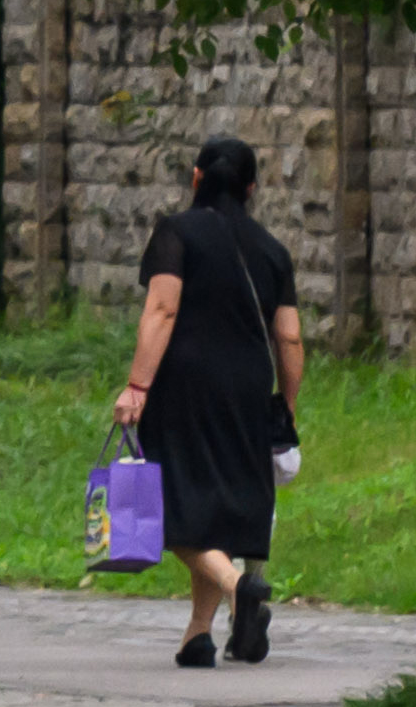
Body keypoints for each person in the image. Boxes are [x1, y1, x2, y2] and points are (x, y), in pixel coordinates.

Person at [117, 136, 308, 669]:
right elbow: (290, 339)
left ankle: (234, 586)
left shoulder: (175, 234)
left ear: (197, 177)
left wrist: (137, 385)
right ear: (251, 188)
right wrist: (285, 408)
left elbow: (162, 310)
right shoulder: (273, 250)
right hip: (248, 387)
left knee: (174, 508)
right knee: (220, 506)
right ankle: (197, 635)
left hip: (184, 386)